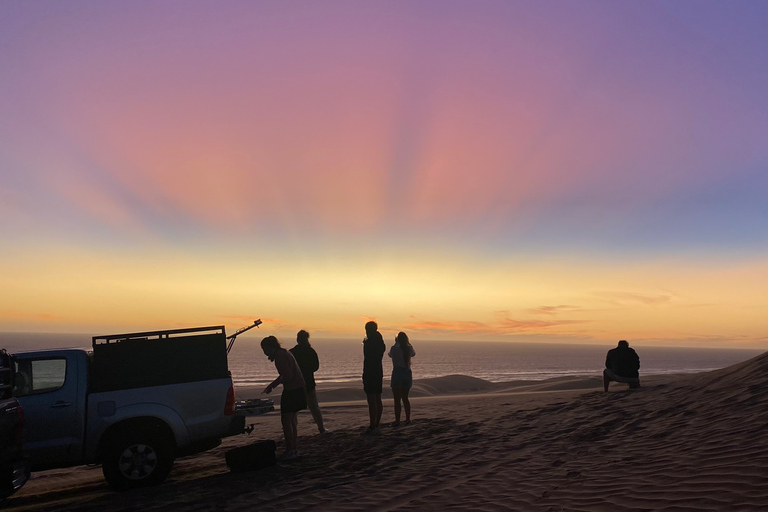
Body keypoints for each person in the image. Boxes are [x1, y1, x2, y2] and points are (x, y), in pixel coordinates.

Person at [261, 336, 306, 460]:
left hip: (292, 390)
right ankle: (293, 449)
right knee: (292, 421)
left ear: (270, 347)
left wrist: (275, 383)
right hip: (298, 388)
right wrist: (273, 385)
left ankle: (290, 450)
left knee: (286, 421)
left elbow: (287, 375)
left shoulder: (280, 357)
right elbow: (286, 374)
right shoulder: (285, 353)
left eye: (265, 349)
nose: (264, 352)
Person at [290, 330, 328, 434]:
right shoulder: (310, 351)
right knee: (314, 407)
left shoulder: (292, 352)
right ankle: (321, 428)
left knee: (293, 410)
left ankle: (293, 431)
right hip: (308, 383)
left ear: (298, 339)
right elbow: (315, 367)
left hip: (296, 384)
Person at [362, 321, 385, 434]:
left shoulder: (370, 342)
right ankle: (377, 423)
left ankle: (373, 424)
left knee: (371, 399)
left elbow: (367, 358)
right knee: (377, 397)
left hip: (370, 371)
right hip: (378, 371)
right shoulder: (380, 342)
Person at [388, 332, 415, 426]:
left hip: (397, 373)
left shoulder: (394, 348)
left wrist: (396, 343)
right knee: (405, 398)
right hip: (407, 373)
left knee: (397, 400)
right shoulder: (409, 348)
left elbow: (389, 355)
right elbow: (413, 354)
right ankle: (408, 419)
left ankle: (397, 420)